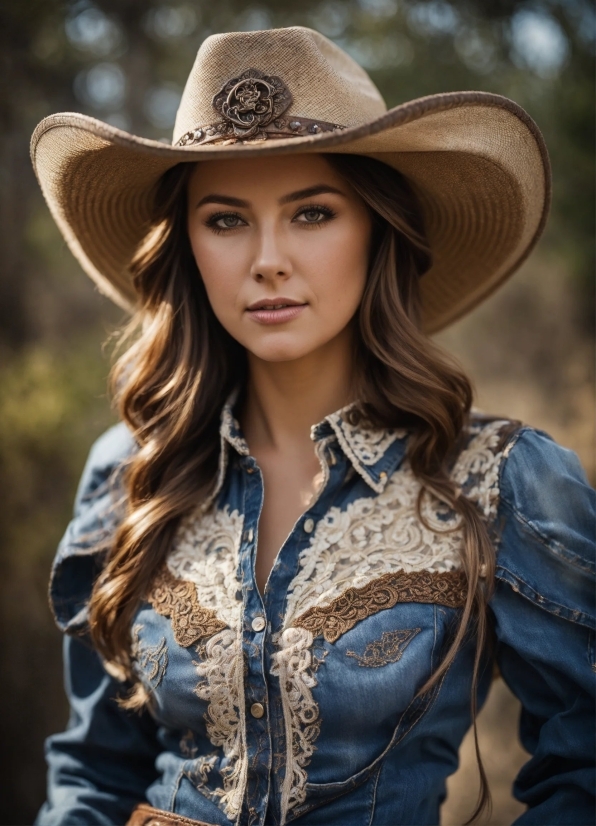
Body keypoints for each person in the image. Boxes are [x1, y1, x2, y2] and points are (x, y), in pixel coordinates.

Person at [31, 25, 594, 826]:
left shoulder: (500, 480)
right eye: (225, 220)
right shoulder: (133, 472)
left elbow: (586, 768)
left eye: (313, 213)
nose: (267, 259)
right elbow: (91, 769)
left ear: (378, 228)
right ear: (186, 245)